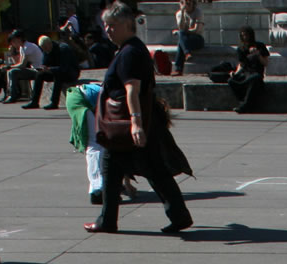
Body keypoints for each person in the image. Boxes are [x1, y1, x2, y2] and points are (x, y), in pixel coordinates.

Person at [84, 1, 192, 234]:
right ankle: (110, 220)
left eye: (112, 25)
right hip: (133, 123)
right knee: (121, 169)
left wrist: (135, 123)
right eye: (105, 25)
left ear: (126, 24)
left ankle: (109, 220)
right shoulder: (130, 49)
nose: (108, 30)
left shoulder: (130, 52)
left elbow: (131, 90)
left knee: (142, 169)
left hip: (126, 124)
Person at [24, 36, 80, 109]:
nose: (45, 50)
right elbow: (45, 63)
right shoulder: (46, 51)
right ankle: (34, 101)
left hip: (70, 72)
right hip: (55, 71)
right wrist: (43, 68)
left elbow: (64, 68)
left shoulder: (63, 49)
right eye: (43, 48)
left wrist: (50, 69)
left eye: (46, 48)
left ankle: (54, 102)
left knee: (58, 75)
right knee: (39, 75)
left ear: (50, 44)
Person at [230, 25, 267, 113]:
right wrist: (235, 73)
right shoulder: (241, 49)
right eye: (243, 35)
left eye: (246, 35)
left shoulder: (259, 46)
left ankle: (245, 106)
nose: (245, 37)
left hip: (256, 73)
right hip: (246, 73)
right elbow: (241, 64)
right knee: (231, 81)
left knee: (254, 79)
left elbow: (265, 62)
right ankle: (242, 102)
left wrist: (258, 54)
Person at [2, 29, 44, 103]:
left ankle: (13, 95)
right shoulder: (22, 48)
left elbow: (22, 65)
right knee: (11, 71)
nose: (13, 44)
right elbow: (18, 63)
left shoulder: (27, 47)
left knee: (13, 72)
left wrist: (9, 67)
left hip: (39, 70)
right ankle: (11, 94)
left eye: (14, 41)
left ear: (19, 39)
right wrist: (12, 54)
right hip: (34, 69)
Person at [172, 0, 201, 75]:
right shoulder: (179, 14)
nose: (187, 6)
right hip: (186, 39)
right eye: (185, 3)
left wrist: (182, 32)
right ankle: (187, 53)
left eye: (189, 3)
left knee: (181, 37)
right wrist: (182, 12)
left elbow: (196, 30)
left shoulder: (198, 12)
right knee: (181, 40)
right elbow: (181, 27)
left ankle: (178, 69)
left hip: (197, 38)